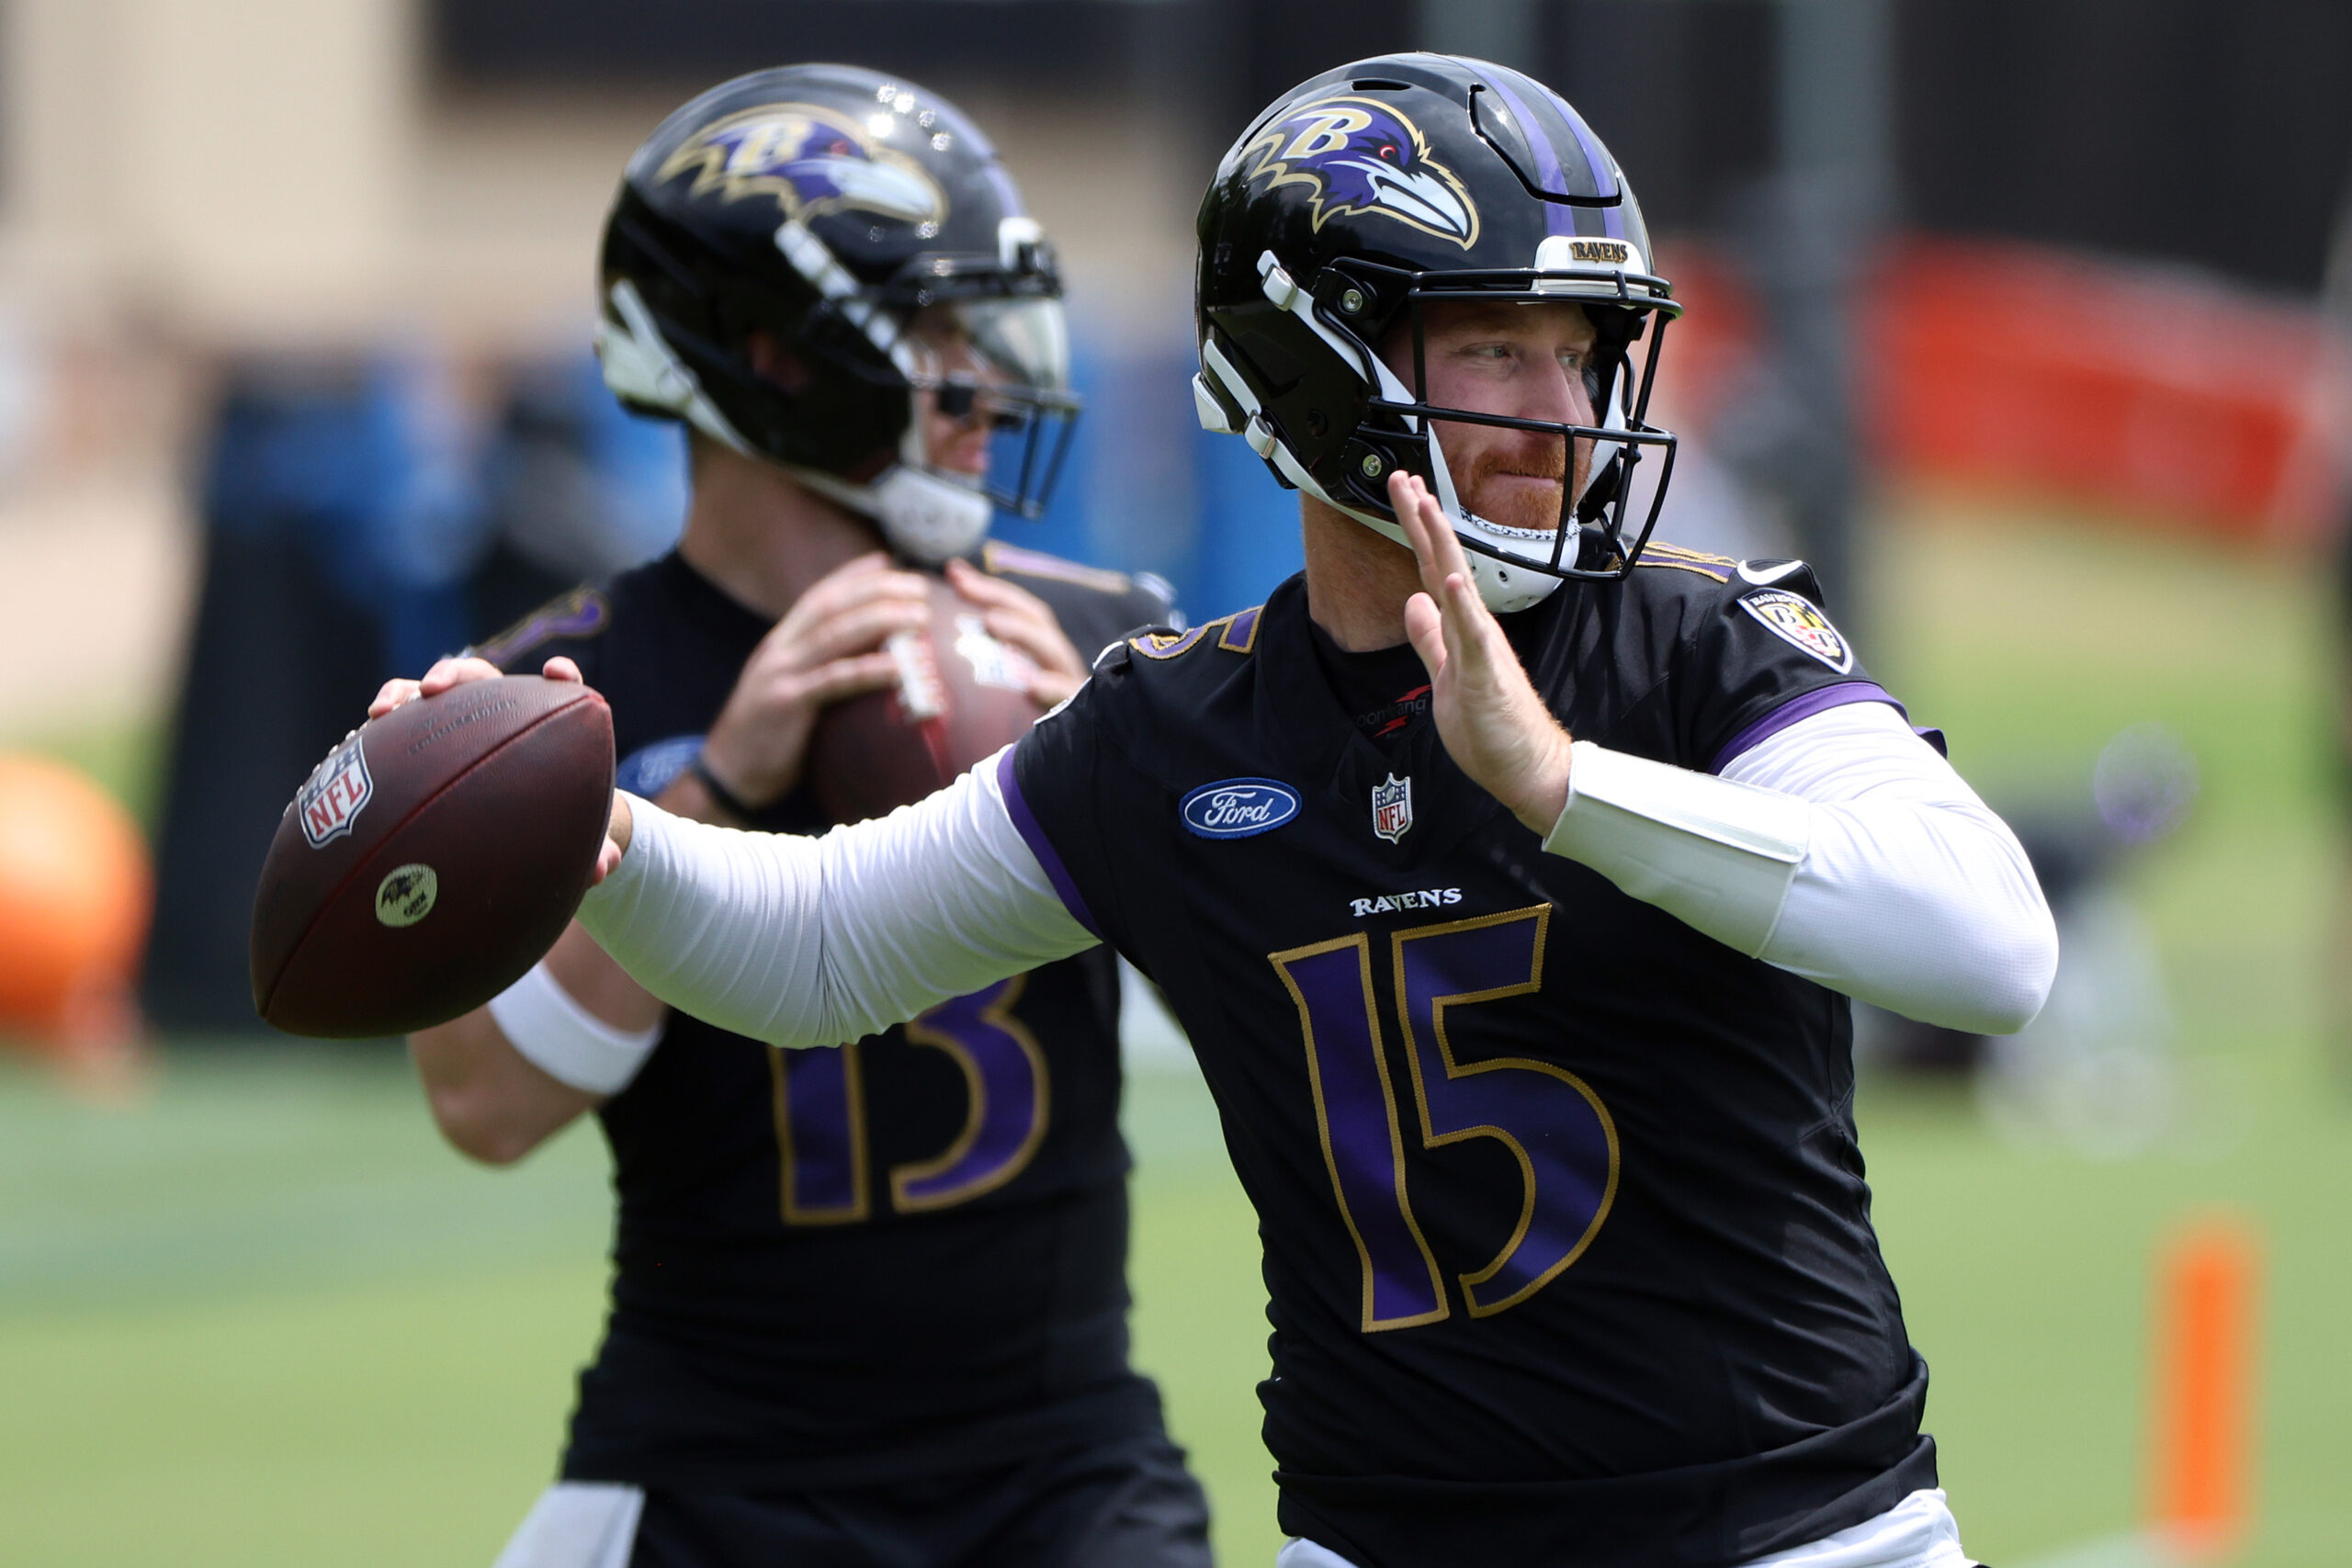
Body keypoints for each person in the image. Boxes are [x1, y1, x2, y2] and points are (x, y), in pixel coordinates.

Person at [381, 54, 2059, 1568]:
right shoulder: (1170, 727)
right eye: (1496, 346)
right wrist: (599, 823)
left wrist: (1562, 787)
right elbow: (820, 947)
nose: (1567, 416)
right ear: (1310, 361)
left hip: (1803, 1537)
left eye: (1585, 351)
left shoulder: (1697, 642)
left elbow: (1990, 947)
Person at [405, 65, 1211, 1568]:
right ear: (772, 354)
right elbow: (483, 1108)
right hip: (717, 1467)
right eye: (930, 334)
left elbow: (1281, 1005)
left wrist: (1119, 781)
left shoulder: (1100, 638)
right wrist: (712, 782)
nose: (982, 386)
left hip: (1062, 1469)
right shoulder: (561, 687)